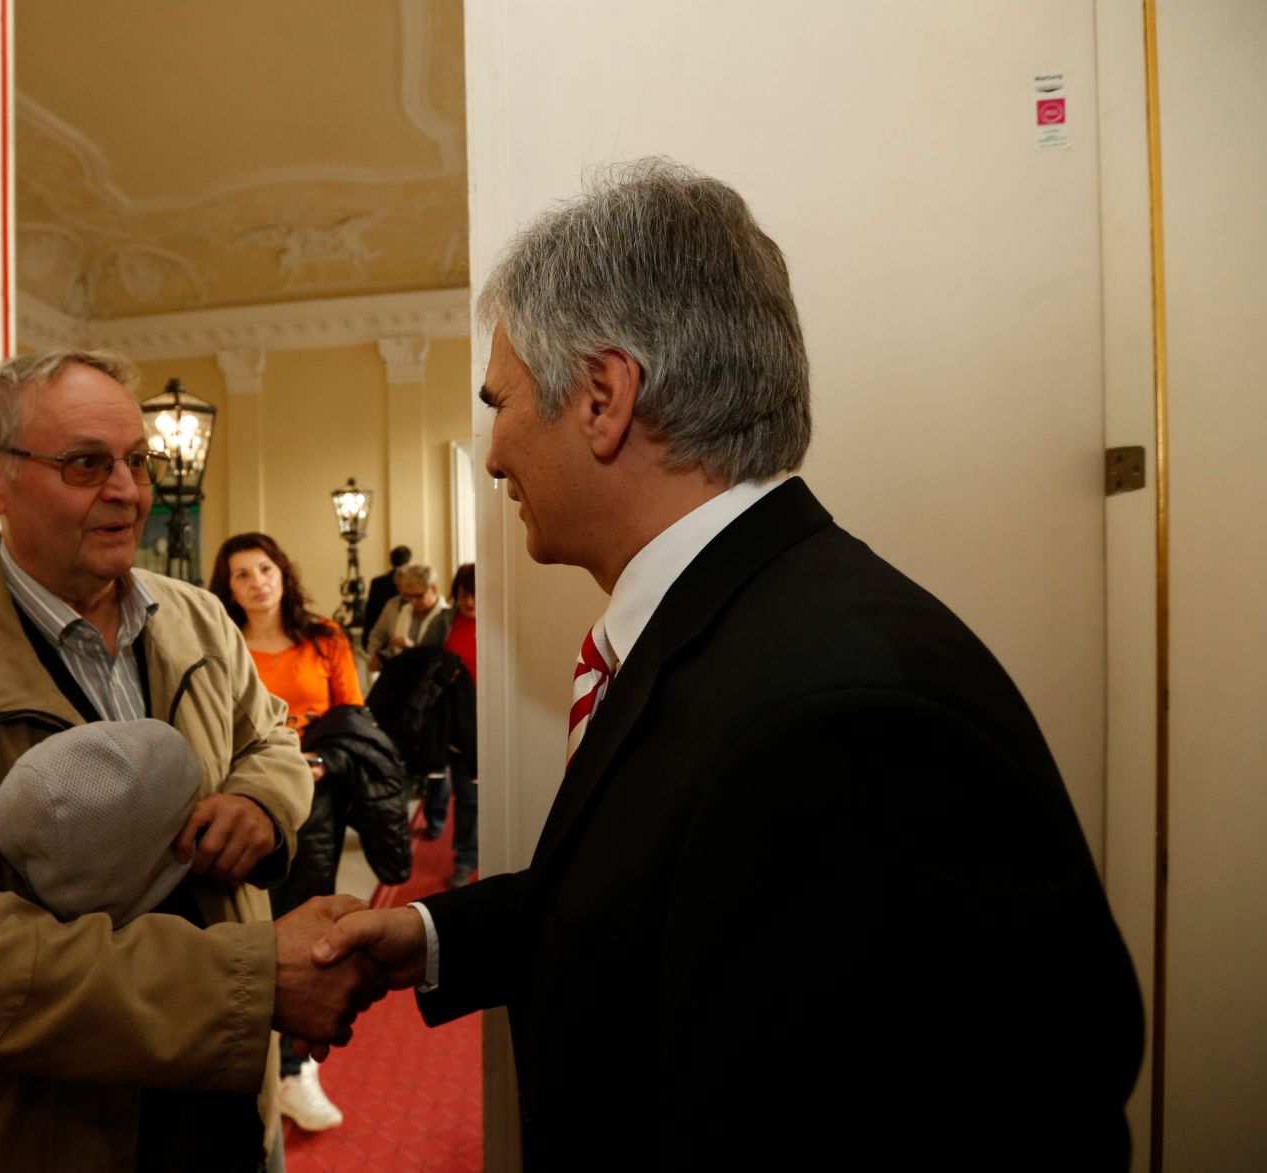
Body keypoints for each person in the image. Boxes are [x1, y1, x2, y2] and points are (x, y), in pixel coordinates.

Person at [312, 160, 1144, 1168]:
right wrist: (436, 941)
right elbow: (667, 904)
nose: (492, 455)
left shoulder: (832, 716)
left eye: (503, 403)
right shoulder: (746, 624)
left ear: (603, 397)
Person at [0, 349, 381, 1173]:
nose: (128, 491)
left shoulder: (198, 617)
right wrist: (245, 980)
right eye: (87, 463)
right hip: (50, 1125)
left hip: (226, 1094)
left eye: (137, 460)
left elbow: (268, 736)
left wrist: (261, 802)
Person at [209, 532, 366, 1133]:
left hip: (316, 803)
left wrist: (322, 764)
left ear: (283, 572)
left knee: (307, 922)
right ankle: (257, 1061)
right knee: (250, 926)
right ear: (228, 588)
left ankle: (300, 1069)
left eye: (265, 568)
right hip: (244, 804)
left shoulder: (323, 639)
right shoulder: (219, 644)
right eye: (242, 574)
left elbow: (351, 718)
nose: (257, 582)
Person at [421, 564, 478, 883]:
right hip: (453, 722)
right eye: (463, 594)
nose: (469, 602)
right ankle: (466, 858)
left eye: (475, 594)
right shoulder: (444, 622)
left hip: (488, 720)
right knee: (466, 793)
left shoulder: (500, 619)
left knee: (482, 792)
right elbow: (423, 661)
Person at [363, 562, 448, 672]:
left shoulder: (446, 617)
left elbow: (442, 659)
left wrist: (412, 648)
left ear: (433, 589)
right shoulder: (406, 610)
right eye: (408, 596)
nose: (413, 602)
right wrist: (381, 657)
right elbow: (394, 651)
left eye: (418, 596)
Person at [361, 544, 412, 638]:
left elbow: (370, 614)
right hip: (403, 634)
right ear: (409, 561)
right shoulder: (412, 584)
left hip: (380, 635)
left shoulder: (377, 583)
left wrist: (366, 637)